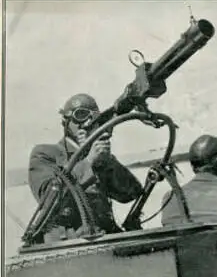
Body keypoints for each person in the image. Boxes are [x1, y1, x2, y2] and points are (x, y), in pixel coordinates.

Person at [28, 94, 143, 241]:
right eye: (80, 115)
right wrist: (88, 161)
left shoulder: (98, 156)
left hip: (105, 239)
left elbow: (132, 193)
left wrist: (107, 162)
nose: (88, 121)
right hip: (68, 245)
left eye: (93, 117)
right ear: (66, 121)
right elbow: (48, 197)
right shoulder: (45, 154)